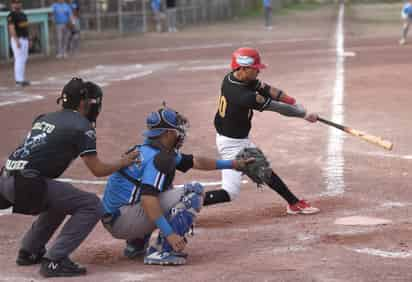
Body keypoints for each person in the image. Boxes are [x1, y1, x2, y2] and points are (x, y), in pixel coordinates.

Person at [0, 78, 138, 278]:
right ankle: (54, 260)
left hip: (5, 179)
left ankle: (30, 250)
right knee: (91, 205)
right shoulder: (81, 126)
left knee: (62, 198)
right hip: (26, 185)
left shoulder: (43, 117)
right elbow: (97, 169)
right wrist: (124, 161)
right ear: (84, 103)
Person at [101, 106, 252, 265]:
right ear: (167, 133)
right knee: (193, 193)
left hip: (115, 217)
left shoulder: (146, 150)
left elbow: (196, 161)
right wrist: (170, 233)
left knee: (163, 189)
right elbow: (148, 200)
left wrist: (233, 164)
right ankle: (163, 250)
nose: (181, 134)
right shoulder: (159, 158)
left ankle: (136, 243)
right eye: (177, 130)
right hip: (123, 221)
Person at [205, 47, 320, 215]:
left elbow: (268, 90)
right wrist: (303, 114)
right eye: (255, 68)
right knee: (234, 189)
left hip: (236, 138)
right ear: (243, 68)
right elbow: (277, 108)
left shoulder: (233, 78)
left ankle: (293, 202)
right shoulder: (242, 94)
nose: (258, 71)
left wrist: (292, 101)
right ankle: (185, 202)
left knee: (263, 171)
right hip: (233, 144)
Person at [7, 0, 30, 87]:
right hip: (18, 39)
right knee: (19, 59)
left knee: (24, 58)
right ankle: (18, 80)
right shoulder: (11, 15)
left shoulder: (23, 14)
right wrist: (16, 40)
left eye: (18, 2)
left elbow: (26, 28)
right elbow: (11, 28)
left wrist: (28, 39)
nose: (17, 4)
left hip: (24, 39)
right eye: (15, 2)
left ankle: (21, 79)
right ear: (12, 4)